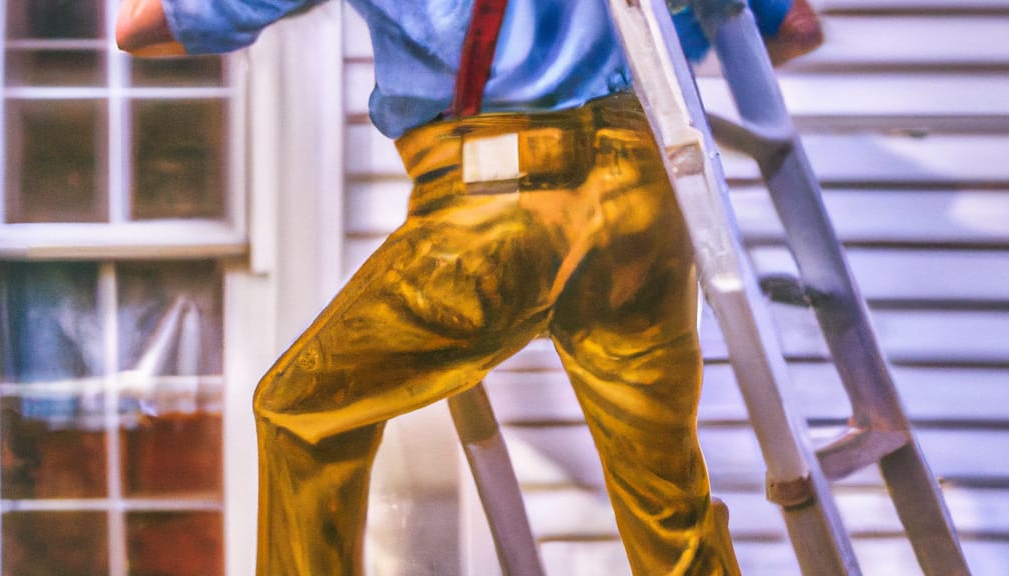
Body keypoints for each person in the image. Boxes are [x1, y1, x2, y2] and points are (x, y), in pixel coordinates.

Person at [117, 1, 822, 574]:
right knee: (665, 499)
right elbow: (793, 28)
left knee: (300, 411)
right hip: (642, 201)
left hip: (496, 201)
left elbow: (143, 30)